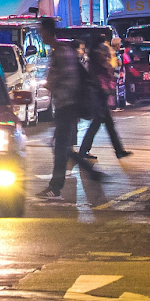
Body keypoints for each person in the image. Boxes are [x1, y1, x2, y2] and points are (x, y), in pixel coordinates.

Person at [38, 18, 93, 199]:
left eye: (41, 31)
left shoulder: (61, 52)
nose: (40, 34)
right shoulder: (61, 51)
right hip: (65, 106)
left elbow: (65, 81)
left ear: (48, 32)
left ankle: (55, 186)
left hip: (66, 105)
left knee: (61, 147)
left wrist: (51, 84)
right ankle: (59, 184)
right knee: (62, 147)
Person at [77, 36, 130, 162]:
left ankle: (117, 150)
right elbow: (106, 70)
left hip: (99, 94)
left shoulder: (94, 58)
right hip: (98, 94)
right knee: (100, 123)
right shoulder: (96, 59)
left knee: (105, 124)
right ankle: (85, 150)